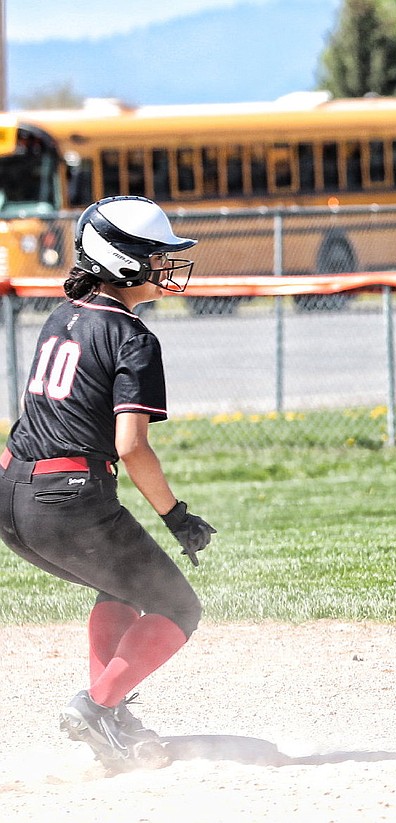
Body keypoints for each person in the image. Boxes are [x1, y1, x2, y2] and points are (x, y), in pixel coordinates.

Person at [0, 195, 217, 772]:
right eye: (155, 255)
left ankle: (112, 717)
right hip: (67, 501)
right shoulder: (133, 337)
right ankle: (97, 707)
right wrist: (177, 516)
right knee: (177, 608)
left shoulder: (63, 313)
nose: (166, 266)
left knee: (120, 588)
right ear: (120, 261)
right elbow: (131, 447)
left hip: (12, 491)